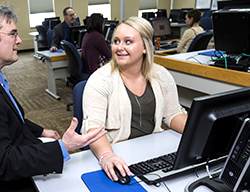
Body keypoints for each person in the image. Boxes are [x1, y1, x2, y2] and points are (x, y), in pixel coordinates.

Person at [0, 3, 106, 192]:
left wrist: (41, 131)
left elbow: (5, 117)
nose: (19, 40)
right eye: (12, 34)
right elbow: (4, 163)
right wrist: (64, 147)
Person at [80, 16, 188, 183]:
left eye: (128, 42)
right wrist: (107, 156)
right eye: (116, 41)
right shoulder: (99, 80)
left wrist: (198, 131)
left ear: (145, 47)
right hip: (117, 151)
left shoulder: (161, 76)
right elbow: (93, 129)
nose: (119, 47)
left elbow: (173, 114)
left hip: (153, 150)